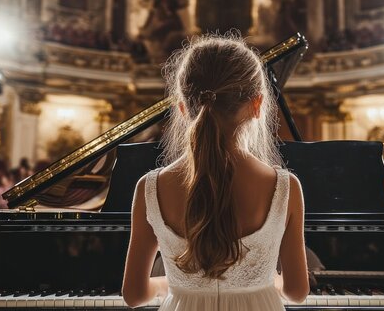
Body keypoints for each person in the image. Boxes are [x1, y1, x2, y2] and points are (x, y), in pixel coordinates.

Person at [122, 34, 309, 310]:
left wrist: (170, 285)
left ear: (183, 108)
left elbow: (134, 295)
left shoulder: (149, 187)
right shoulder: (285, 186)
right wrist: (267, 280)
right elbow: (296, 292)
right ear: (257, 105)